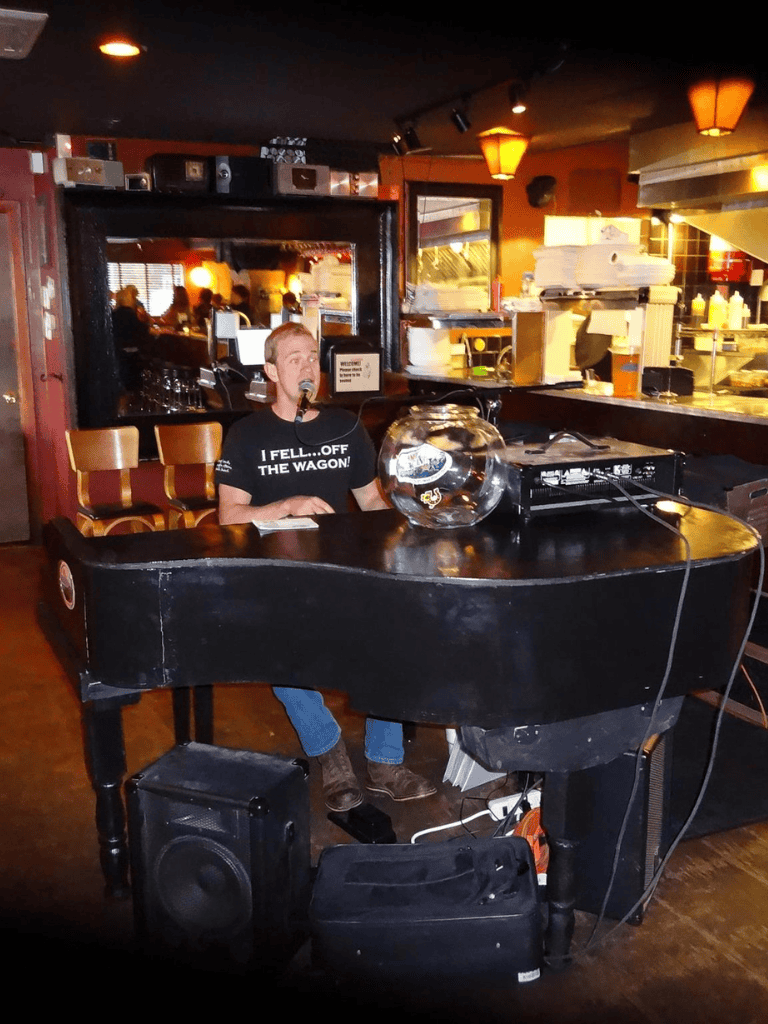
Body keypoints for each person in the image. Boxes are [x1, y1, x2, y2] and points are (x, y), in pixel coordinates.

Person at [215, 322, 436, 812]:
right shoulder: (247, 434)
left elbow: (372, 503)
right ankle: (329, 752)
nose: (306, 366)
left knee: (396, 637)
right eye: (293, 359)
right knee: (282, 656)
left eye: (312, 357)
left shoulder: (344, 426)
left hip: (342, 568)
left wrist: (416, 509)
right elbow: (228, 515)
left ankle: (385, 761)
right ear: (271, 371)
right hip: (276, 570)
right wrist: (286, 505)